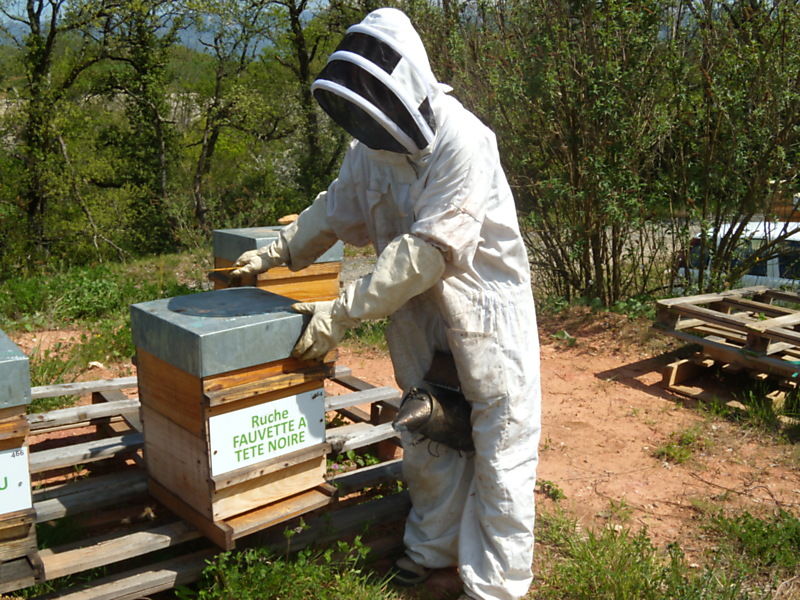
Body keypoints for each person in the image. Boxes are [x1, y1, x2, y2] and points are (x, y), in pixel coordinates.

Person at [231, 8, 541, 600]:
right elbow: (335, 208)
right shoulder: (369, 151)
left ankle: (494, 587)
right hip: (418, 316)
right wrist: (274, 253)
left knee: (500, 449)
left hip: (484, 314)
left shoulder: (464, 140)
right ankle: (432, 557)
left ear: (407, 86)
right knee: (430, 438)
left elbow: (429, 251)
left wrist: (342, 310)